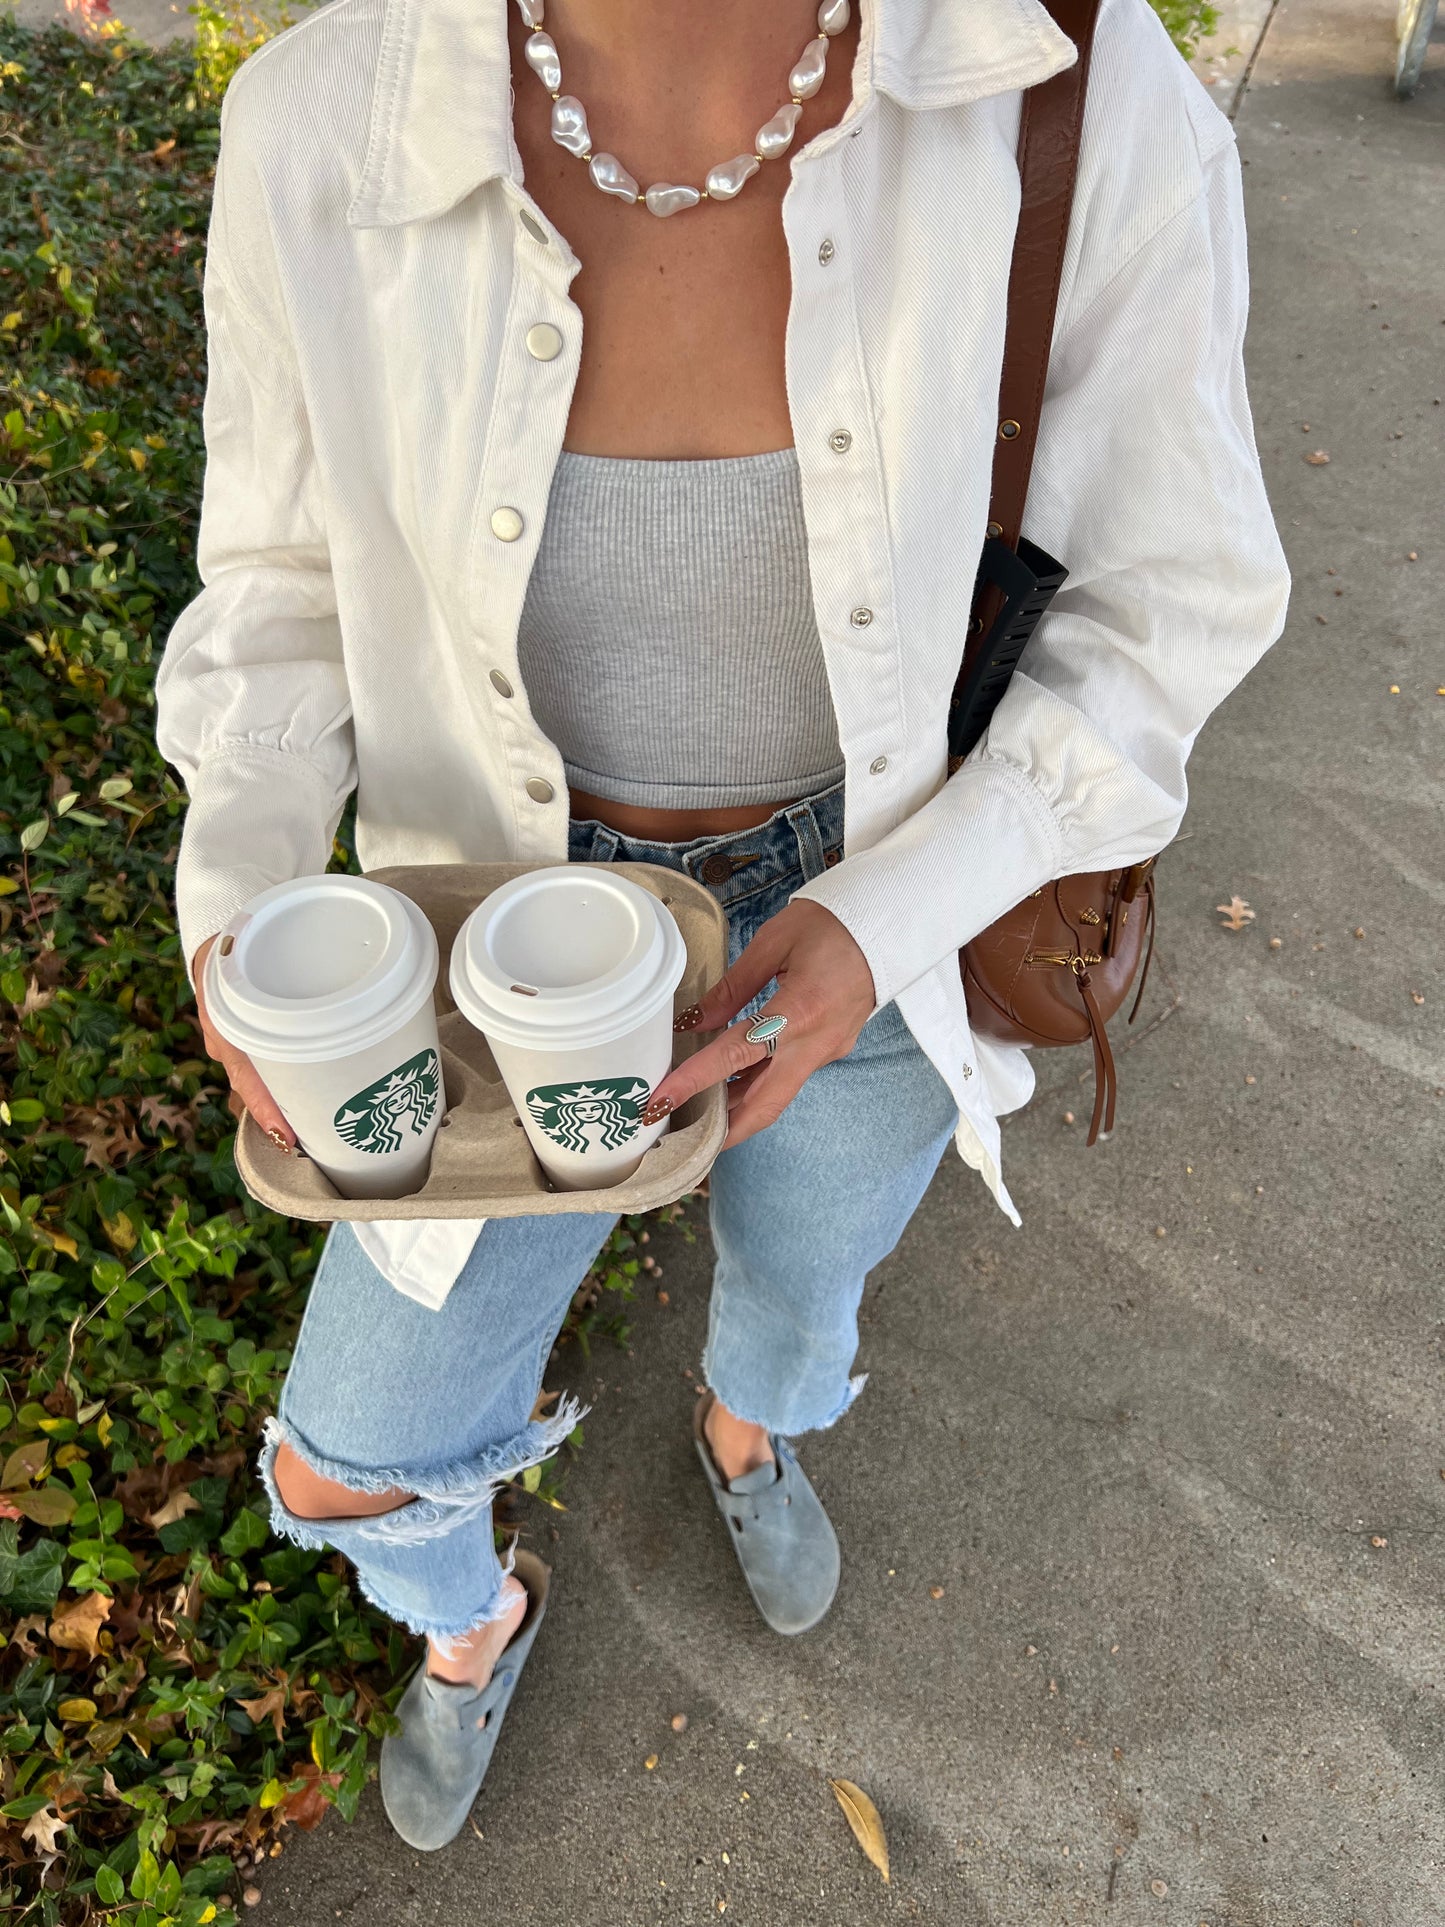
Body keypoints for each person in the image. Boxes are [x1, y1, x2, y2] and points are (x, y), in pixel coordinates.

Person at [154, 0, 1291, 1853]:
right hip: (478, 960)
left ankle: (749, 1431)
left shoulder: (1065, 88)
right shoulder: (325, 120)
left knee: (805, 1262)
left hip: (878, 916)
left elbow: (1171, 600)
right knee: (346, 1448)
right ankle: (472, 1625)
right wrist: (244, 907)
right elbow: (276, 581)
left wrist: (885, 915)